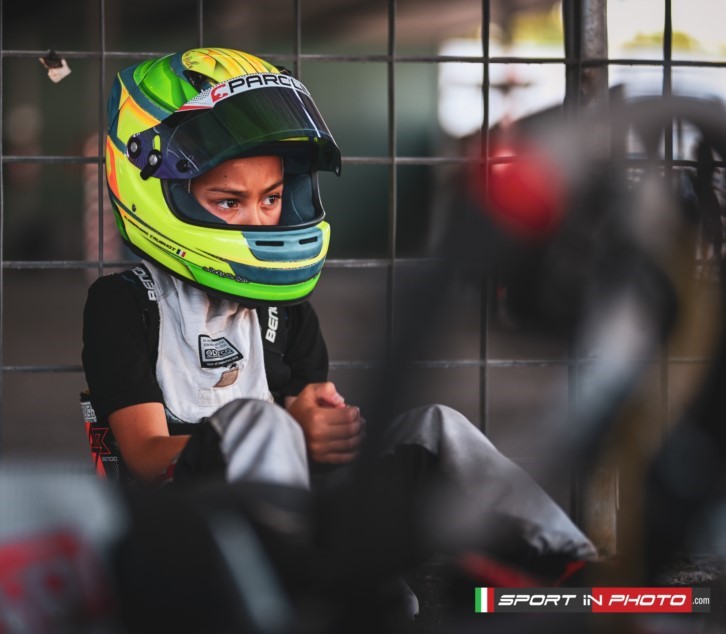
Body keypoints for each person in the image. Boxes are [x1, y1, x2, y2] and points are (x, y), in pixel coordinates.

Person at [82, 47, 595, 596]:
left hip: (301, 519)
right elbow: (144, 458)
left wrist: (329, 433)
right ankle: (298, 590)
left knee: (436, 427)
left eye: (272, 198)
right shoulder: (123, 305)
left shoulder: (286, 311)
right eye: (229, 202)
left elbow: (313, 439)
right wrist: (285, 428)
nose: (258, 220)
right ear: (153, 188)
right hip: (185, 540)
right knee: (259, 423)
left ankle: (571, 571)